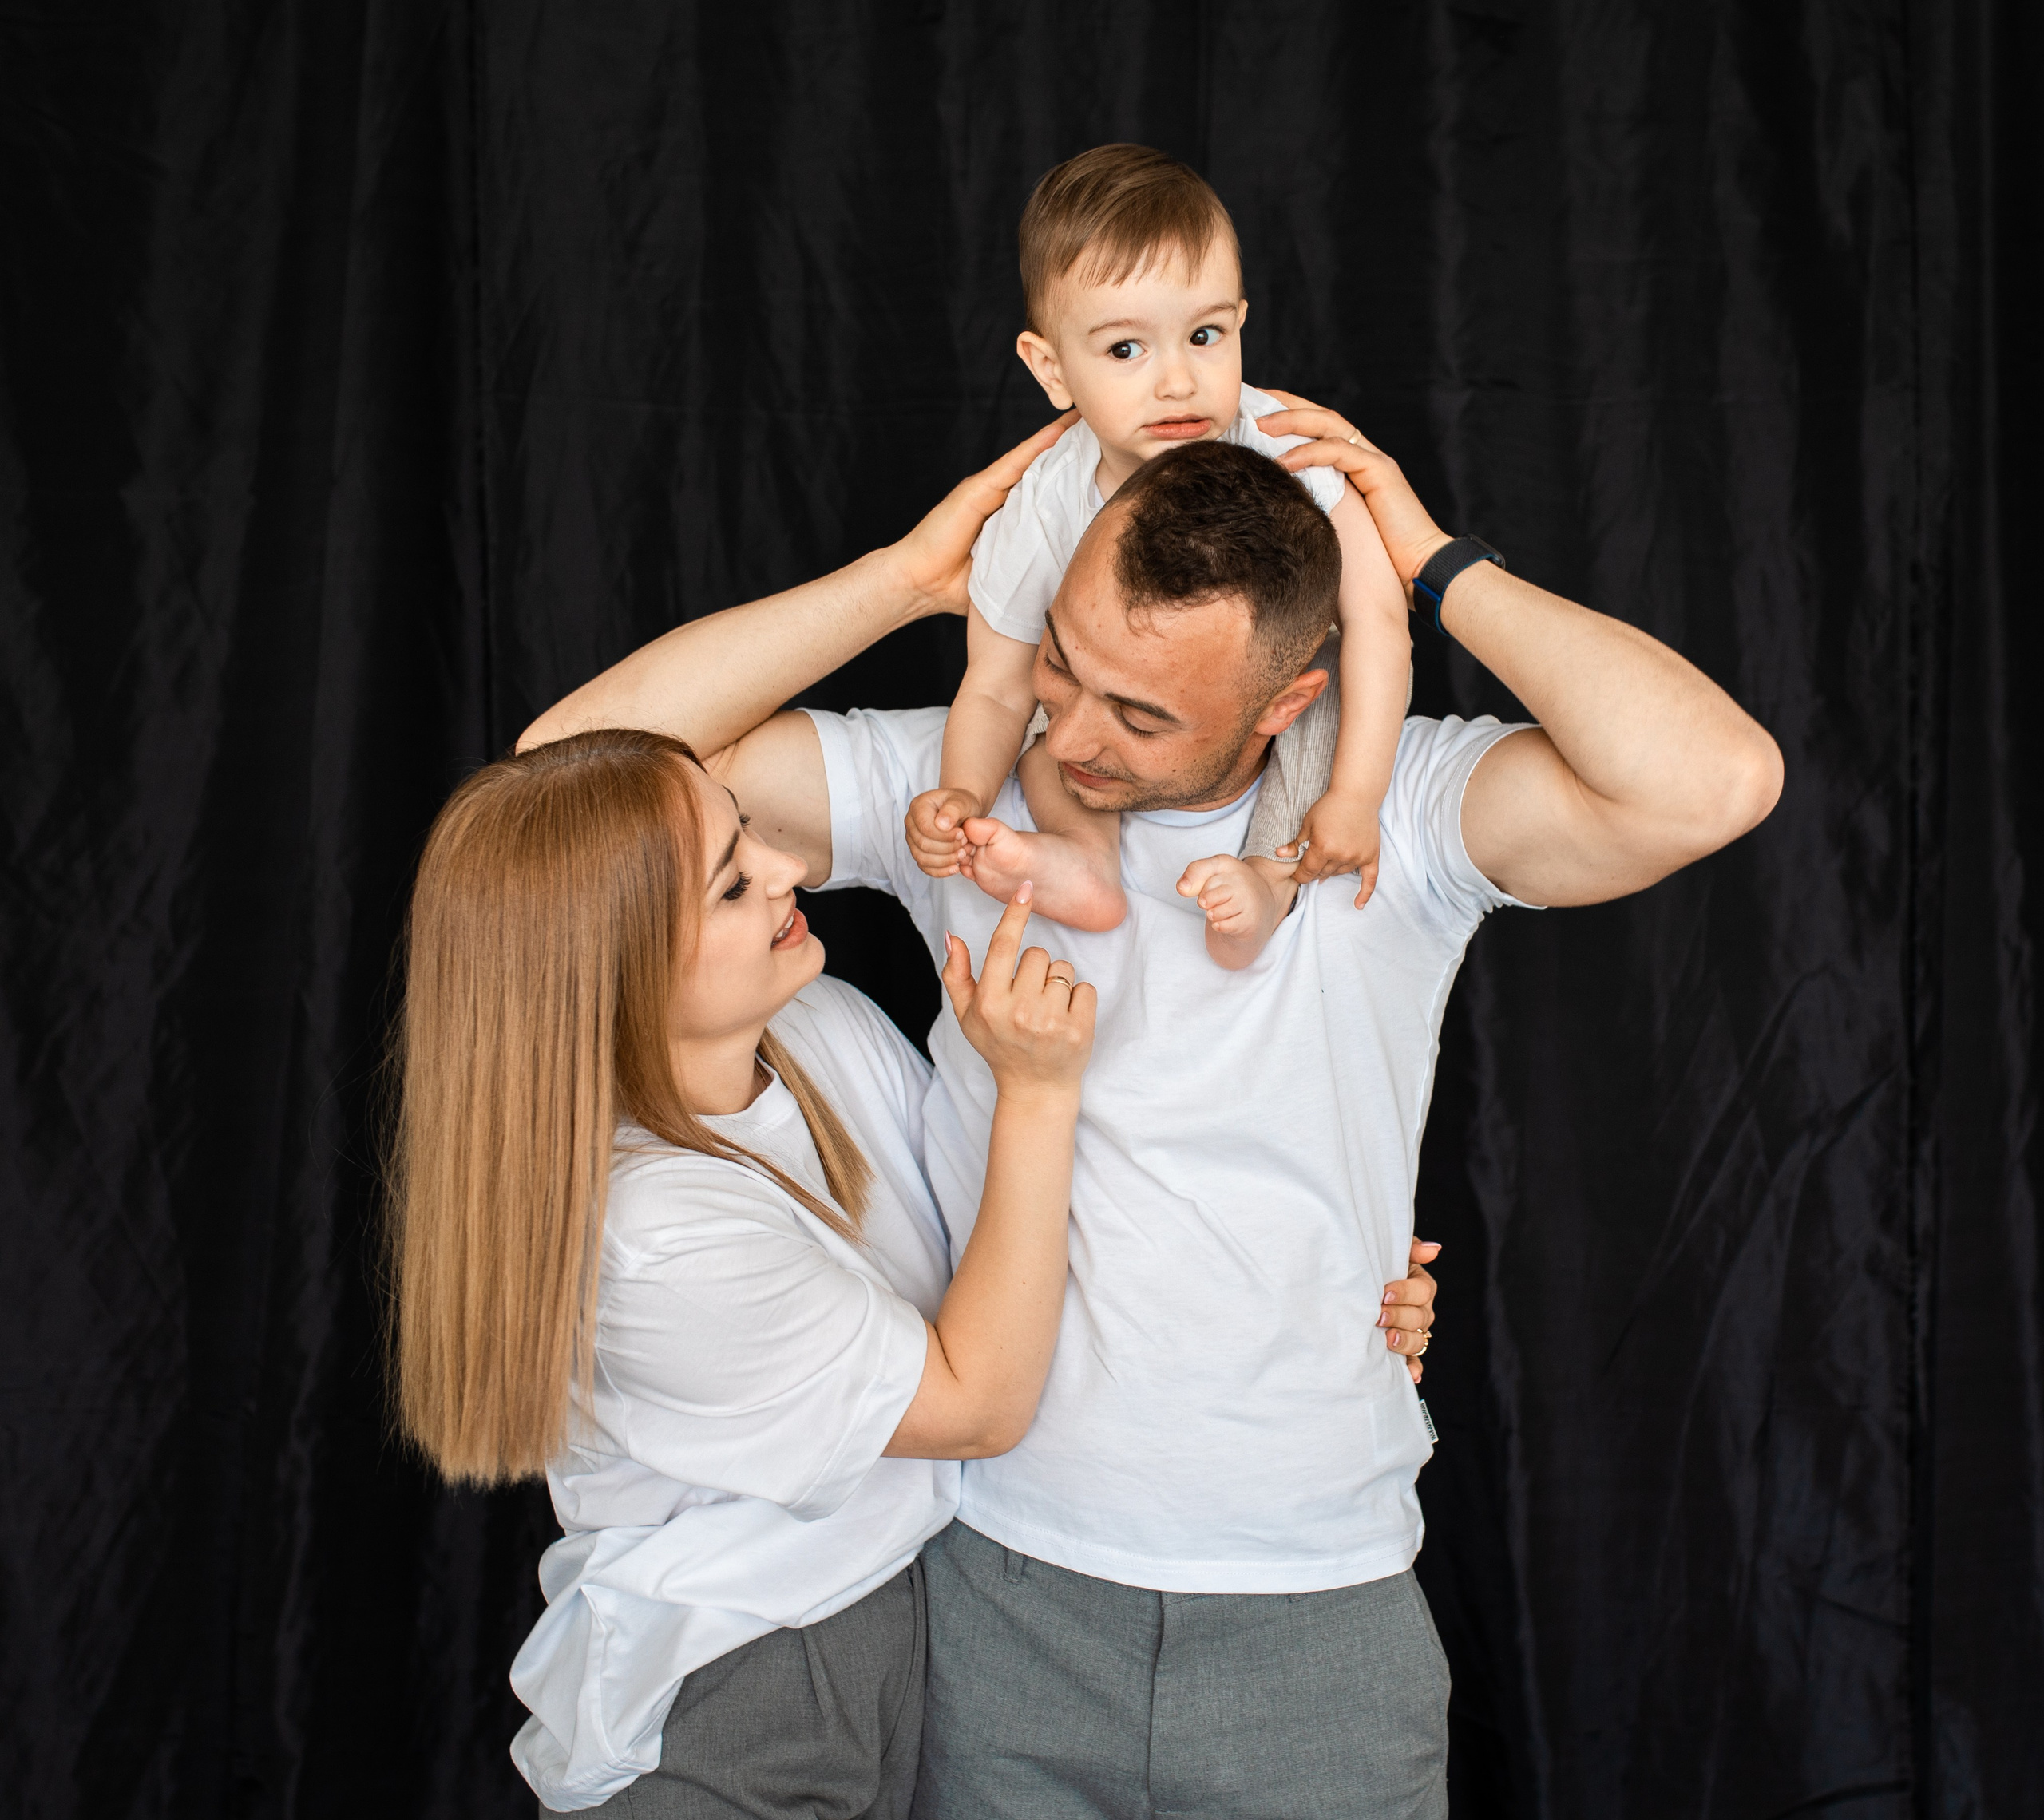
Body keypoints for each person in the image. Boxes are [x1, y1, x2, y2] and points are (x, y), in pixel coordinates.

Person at [525, 402, 1781, 1816]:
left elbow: (1716, 781)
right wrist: (904, 581)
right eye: (1063, 663)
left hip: (1319, 1607)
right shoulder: (961, 785)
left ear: (1286, 702)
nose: (1070, 733)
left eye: (1142, 715)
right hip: (993, 1594)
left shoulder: (1392, 814)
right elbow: (567, 777)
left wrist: (1430, 560)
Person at [386, 725, 1107, 1814]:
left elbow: (1001, 1249)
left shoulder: (815, 1025)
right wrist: (1039, 1093)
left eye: (751, 833)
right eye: (732, 885)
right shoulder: (653, 1239)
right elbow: (978, 1403)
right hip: (733, 1695)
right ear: (617, 973)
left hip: (893, 1636)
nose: (791, 868)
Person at [905, 144, 1415, 967]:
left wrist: (1357, 797)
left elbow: (1381, 622)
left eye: (1205, 336)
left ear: (1241, 323)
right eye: (1125, 350)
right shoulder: (1048, 497)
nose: (1177, 381)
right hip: (1123, 743)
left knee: (1323, 706)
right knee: (1050, 734)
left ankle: (1270, 881)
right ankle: (1084, 858)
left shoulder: (1292, 447)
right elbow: (995, 686)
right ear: (1051, 369)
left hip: (1272, 698)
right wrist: (962, 794)